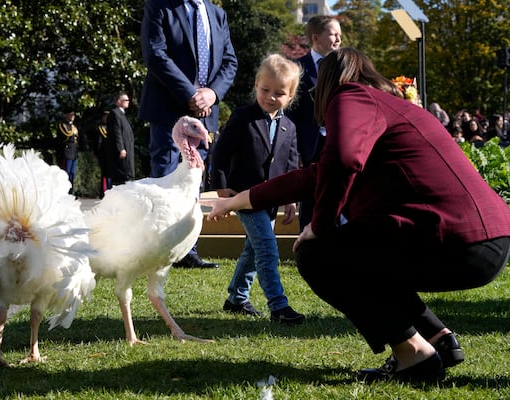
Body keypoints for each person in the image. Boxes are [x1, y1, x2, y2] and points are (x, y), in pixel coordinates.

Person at [200, 48, 510, 383]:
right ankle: (437, 338)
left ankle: (413, 354)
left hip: (457, 239)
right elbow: (318, 174)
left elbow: (343, 161)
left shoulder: (350, 96)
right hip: (487, 238)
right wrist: (239, 200)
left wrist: (320, 225)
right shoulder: (390, 105)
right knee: (368, 257)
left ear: (329, 82)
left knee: (318, 255)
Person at [139, 0, 238, 269]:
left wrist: (212, 94)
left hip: (205, 113)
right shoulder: (159, 6)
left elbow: (230, 61)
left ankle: (186, 251)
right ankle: (158, 250)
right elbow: (155, 53)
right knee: (165, 177)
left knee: (195, 181)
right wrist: (190, 94)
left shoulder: (217, 14)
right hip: (168, 109)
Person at [211, 54, 305, 324]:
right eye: (265, 90)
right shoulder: (243, 117)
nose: (270, 97)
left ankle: (236, 298)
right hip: (243, 196)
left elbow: (290, 166)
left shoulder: (289, 126)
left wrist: (290, 200)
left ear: (290, 96)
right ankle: (278, 305)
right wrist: (222, 186)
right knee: (266, 247)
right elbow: (221, 152)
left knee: (253, 250)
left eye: (279, 93)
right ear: (256, 85)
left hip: (272, 200)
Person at [285, 15, 342, 231]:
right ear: (316, 37)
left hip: (340, 142)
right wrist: (294, 148)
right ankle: (307, 249)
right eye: (333, 33)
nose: (339, 38)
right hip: (310, 144)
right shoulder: (297, 69)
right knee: (310, 196)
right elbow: (290, 112)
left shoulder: (346, 67)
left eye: (340, 34)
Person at [106, 92, 135, 187]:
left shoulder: (122, 114)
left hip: (127, 148)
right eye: (125, 100)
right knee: (122, 174)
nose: (128, 102)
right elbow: (116, 132)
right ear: (119, 101)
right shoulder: (115, 114)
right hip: (122, 151)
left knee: (128, 174)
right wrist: (120, 148)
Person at [57, 108, 80, 194]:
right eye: (71, 115)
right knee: (66, 173)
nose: (73, 116)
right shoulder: (63, 126)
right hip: (67, 152)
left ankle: (71, 190)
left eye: (73, 115)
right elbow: (66, 136)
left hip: (73, 152)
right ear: (66, 115)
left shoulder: (73, 127)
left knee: (72, 174)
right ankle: (65, 191)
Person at [95, 111, 112, 197]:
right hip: (104, 154)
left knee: (111, 174)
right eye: (105, 116)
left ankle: (110, 190)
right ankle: (104, 191)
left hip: (111, 154)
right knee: (105, 174)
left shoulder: (112, 127)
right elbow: (98, 142)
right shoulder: (101, 128)